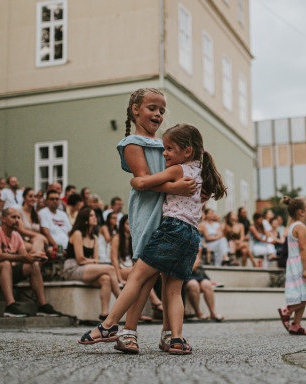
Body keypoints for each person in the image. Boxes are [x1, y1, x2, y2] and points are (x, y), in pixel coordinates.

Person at [80, 122, 226, 356]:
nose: (164, 153)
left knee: (136, 277)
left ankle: (108, 326)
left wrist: (156, 184)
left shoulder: (180, 170)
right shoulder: (203, 174)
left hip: (172, 230)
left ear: (187, 151)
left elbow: (142, 182)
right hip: (191, 236)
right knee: (173, 290)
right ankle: (176, 339)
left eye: (169, 148)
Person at [77, 88, 195, 354]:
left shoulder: (167, 142)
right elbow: (142, 182)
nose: (158, 114)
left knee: (168, 276)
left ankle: (169, 334)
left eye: (162, 110)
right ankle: (128, 332)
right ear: (135, 110)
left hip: (171, 211)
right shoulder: (132, 142)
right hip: (148, 208)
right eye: (152, 108)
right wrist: (176, 188)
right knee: (144, 273)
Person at [0, 207, 62, 317]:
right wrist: (24, 258)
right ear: (3, 219)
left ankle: (42, 306)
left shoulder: (16, 236)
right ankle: (10, 306)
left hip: (4, 274)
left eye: (19, 217)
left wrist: (35, 257)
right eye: (13, 217)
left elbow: (23, 256)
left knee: (33, 265)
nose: (17, 220)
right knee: (5, 263)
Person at [64, 207, 121, 320]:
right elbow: (80, 259)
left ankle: (104, 314)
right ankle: (124, 302)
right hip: (72, 268)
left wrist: (91, 261)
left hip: (86, 268)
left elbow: (95, 260)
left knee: (106, 278)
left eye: (95, 215)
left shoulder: (94, 238)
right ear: (84, 219)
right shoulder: (77, 234)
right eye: (91, 216)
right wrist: (92, 261)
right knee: (109, 269)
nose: (95, 218)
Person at [277, 196, 306, 335]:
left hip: (294, 264)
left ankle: (296, 325)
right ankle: (287, 311)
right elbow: (303, 249)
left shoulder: (293, 226)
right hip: (300, 265)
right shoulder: (300, 227)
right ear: (301, 212)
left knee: (303, 295)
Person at [184, 247, 224, 321]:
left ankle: (213, 313)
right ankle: (198, 312)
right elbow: (192, 266)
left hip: (197, 274)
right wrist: (196, 261)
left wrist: (208, 279)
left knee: (207, 284)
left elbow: (199, 269)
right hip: (185, 275)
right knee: (193, 284)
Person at [17, 187, 48, 254]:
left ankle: (36, 259)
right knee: (38, 246)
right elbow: (21, 230)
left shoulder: (37, 215)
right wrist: (40, 236)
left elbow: (40, 231)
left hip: (35, 241)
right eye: (30, 196)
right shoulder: (19, 212)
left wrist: (40, 236)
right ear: (24, 198)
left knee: (38, 243)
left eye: (35, 196)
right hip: (22, 240)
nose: (33, 199)